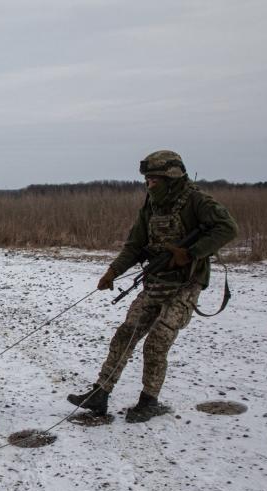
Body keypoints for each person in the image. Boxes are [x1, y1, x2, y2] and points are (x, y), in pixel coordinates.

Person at [67, 150, 238, 422]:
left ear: (171, 177)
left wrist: (191, 252)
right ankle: (100, 394)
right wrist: (113, 271)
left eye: (154, 180)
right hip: (155, 281)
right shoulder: (151, 206)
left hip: (185, 285)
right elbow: (135, 245)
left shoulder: (197, 201)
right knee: (126, 333)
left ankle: (149, 401)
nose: (149, 185)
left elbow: (228, 228)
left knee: (157, 341)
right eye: (147, 180)